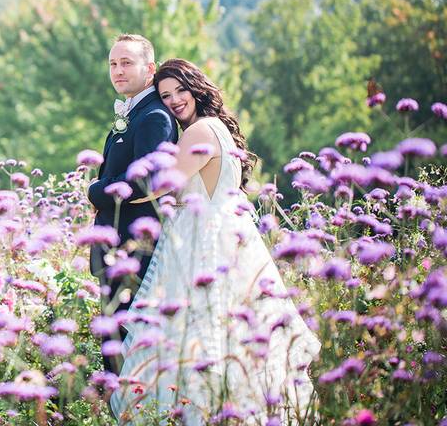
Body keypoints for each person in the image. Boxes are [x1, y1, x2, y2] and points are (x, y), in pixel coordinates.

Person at [109, 59, 320, 424]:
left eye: (180, 90)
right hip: (224, 237)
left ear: (197, 88)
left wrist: (109, 190)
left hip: (203, 244)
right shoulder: (216, 128)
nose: (174, 100)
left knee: (200, 336)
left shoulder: (201, 131)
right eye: (165, 95)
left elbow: (158, 186)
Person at [87, 33, 179, 374]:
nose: (118, 70)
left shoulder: (154, 116)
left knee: (125, 343)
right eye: (113, 63)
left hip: (134, 249)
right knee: (113, 338)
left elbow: (146, 181)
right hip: (116, 246)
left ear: (149, 68)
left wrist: (94, 191)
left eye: (127, 62)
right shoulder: (133, 112)